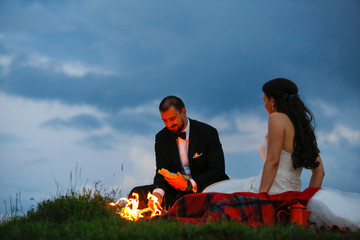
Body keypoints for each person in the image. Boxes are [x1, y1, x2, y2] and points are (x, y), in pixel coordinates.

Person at [204, 78, 360, 230]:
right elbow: (319, 171)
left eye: (264, 100)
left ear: (272, 101)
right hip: (293, 191)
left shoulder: (276, 118)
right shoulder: (301, 127)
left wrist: (262, 197)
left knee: (211, 195)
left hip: (271, 188)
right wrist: (306, 203)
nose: (264, 105)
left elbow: (273, 161)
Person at [129, 95, 229, 210]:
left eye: (172, 119)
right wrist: (157, 194)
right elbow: (161, 171)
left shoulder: (208, 133)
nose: (169, 125)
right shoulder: (161, 138)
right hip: (177, 192)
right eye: (164, 120)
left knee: (204, 198)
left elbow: (218, 170)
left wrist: (190, 183)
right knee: (137, 194)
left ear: (183, 112)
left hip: (204, 187)